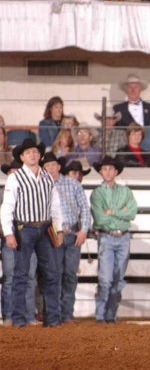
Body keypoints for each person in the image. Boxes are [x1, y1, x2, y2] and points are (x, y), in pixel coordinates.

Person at [0, 139, 64, 328]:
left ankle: (52, 319)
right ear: (22, 157)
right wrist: (8, 232)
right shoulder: (15, 177)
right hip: (24, 228)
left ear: (39, 155)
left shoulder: (47, 176)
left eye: (35, 152)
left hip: (45, 228)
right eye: (28, 153)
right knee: (21, 274)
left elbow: (55, 206)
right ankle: (19, 319)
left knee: (51, 274)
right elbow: (7, 207)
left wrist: (59, 229)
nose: (33, 155)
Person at [40, 153, 91, 325]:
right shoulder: (41, 186)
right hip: (52, 232)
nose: (50, 168)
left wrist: (84, 230)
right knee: (54, 275)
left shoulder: (73, 183)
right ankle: (53, 314)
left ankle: (67, 314)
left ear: (59, 167)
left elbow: (85, 208)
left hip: (72, 232)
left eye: (53, 165)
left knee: (69, 275)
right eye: (47, 166)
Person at [90, 156, 137, 324]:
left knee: (118, 279)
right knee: (105, 279)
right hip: (107, 236)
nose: (108, 171)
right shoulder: (97, 193)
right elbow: (100, 218)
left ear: (116, 172)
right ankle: (101, 315)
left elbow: (131, 213)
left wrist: (112, 211)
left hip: (122, 237)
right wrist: (120, 212)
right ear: (101, 172)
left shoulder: (125, 191)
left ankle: (110, 315)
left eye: (110, 168)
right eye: (105, 169)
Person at [0, 159, 39, 327]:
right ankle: (9, 315)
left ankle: (29, 316)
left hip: (28, 239)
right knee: (10, 277)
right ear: (8, 174)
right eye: (12, 171)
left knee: (29, 278)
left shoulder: (32, 191)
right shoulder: (2, 193)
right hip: (9, 239)